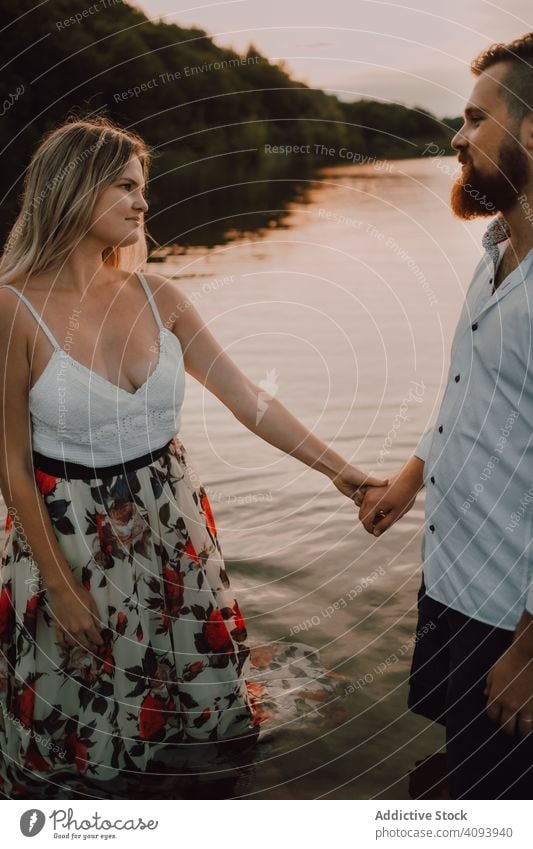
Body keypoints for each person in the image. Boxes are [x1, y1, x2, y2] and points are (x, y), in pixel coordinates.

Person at [0, 116, 385, 799]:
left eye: (143, 187)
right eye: (125, 186)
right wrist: (60, 586)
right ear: (75, 187)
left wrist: (344, 474)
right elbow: (10, 462)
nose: (143, 203)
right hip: (70, 542)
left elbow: (250, 401)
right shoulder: (11, 306)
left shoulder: (162, 297)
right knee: (86, 728)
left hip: (174, 533)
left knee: (195, 712)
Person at [360, 32, 533, 799]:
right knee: (461, 771)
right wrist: (409, 478)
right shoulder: (495, 247)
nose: (455, 138)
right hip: (456, 581)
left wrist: (528, 648)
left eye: (473, 119)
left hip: (511, 609)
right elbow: (471, 391)